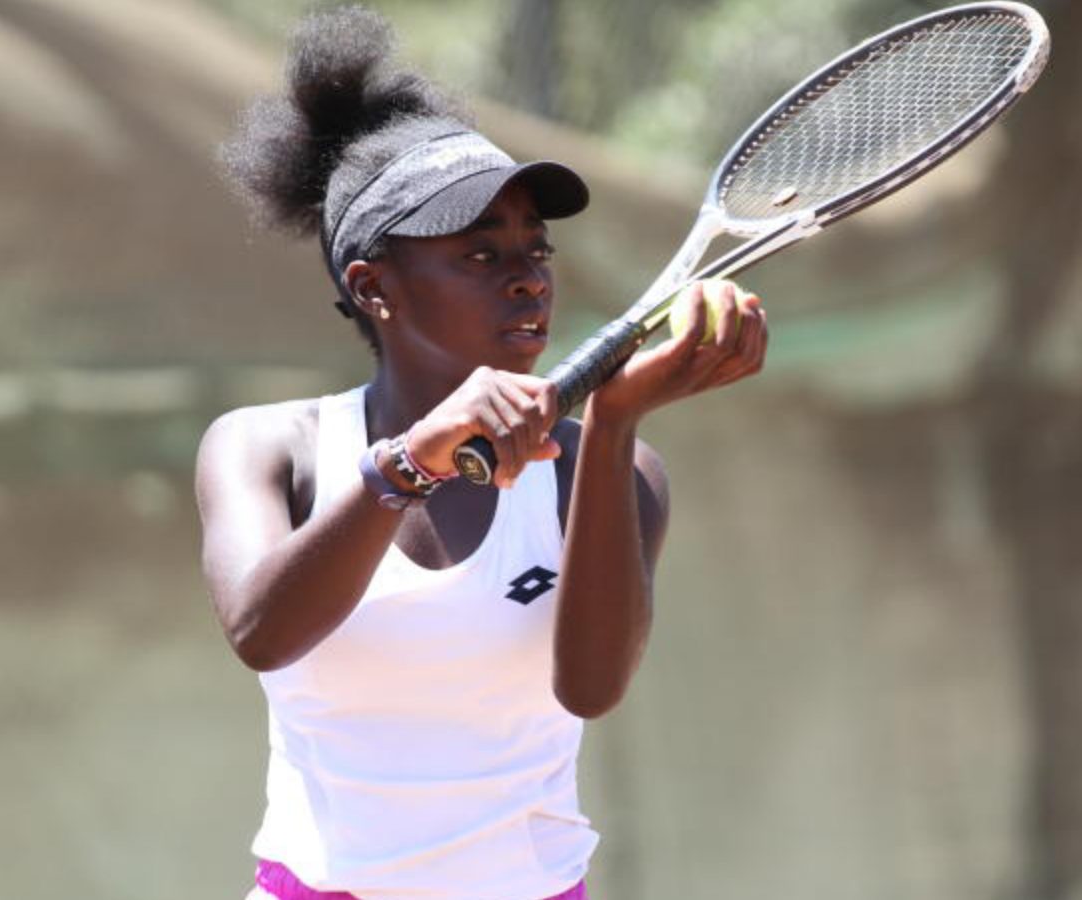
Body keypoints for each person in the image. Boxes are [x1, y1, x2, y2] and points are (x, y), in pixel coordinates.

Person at [199, 7, 766, 899]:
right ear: (373, 287)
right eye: (479, 251)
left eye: (535, 250)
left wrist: (616, 429)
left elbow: (589, 688)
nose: (528, 275)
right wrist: (405, 467)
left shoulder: (602, 466)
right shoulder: (270, 446)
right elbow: (262, 633)